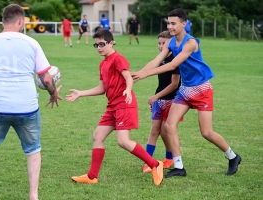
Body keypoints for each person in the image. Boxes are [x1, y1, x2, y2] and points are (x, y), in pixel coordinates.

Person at [131, 8, 241, 178]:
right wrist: (138, 73)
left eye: (173, 23)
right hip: (185, 90)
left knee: (206, 132)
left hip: (202, 90)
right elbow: (157, 60)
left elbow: (172, 65)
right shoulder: (170, 42)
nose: (170, 26)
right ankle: (179, 167)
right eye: (168, 23)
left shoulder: (191, 43)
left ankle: (232, 156)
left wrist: (145, 74)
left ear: (184, 24)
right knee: (168, 126)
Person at [0, 4, 62, 200]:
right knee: (33, 150)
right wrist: (53, 93)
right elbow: (47, 78)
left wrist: (0, 86)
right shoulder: (32, 43)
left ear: (2, 21)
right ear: (21, 21)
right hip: (27, 107)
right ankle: (33, 196)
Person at [65, 29, 163, 186]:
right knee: (97, 136)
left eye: (102, 44)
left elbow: (127, 77)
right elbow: (101, 89)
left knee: (123, 141)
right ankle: (92, 176)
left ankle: (155, 165)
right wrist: (80, 93)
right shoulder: (103, 63)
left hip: (124, 104)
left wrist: (128, 89)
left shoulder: (118, 59)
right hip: (112, 106)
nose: (98, 47)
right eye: (96, 45)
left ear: (111, 43)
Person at [142, 31, 181, 173]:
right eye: (159, 43)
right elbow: (151, 65)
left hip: (173, 100)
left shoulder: (176, 60)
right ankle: (148, 161)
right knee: (154, 130)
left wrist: (156, 96)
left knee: (165, 131)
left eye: (163, 43)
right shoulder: (160, 59)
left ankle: (169, 158)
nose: (160, 46)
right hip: (159, 99)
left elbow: (174, 84)